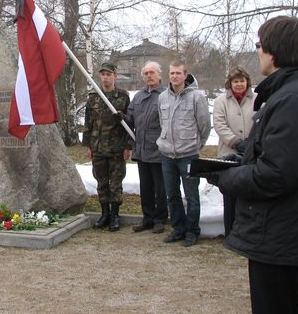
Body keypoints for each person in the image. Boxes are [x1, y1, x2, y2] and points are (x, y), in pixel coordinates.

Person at [209, 16, 298, 314]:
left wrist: (226, 178)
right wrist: (242, 158)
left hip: (281, 236)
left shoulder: (293, 98)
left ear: (273, 51)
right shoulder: (292, 92)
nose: (258, 51)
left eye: (260, 45)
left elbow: (277, 174)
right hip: (283, 234)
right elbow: (279, 154)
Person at [157, 60, 210, 247]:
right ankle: (178, 229)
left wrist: (196, 145)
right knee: (172, 195)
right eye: (172, 73)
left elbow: (205, 126)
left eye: (178, 73)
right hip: (167, 155)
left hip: (188, 155)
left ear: (185, 75)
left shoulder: (197, 97)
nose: (175, 76)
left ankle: (192, 231)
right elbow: (162, 123)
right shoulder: (163, 97)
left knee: (192, 196)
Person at [82, 62, 133, 232]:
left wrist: (128, 146)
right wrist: (88, 145)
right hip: (98, 148)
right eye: (103, 74)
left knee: (115, 184)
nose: (105, 77)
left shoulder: (123, 96)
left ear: (115, 76)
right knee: (101, 183)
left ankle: (115, 216)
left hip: (116, 148)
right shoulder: (93, 97)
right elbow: (88, 123)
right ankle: (104, 214)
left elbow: (129, 123)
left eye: (109, 74)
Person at [212, 66, 256, 236]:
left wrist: (251, 143)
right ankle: (230, 231)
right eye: (235, 81)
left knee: (248, 194)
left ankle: (247, 232)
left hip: (251, 152)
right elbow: (219, 124)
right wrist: (236, 142)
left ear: (247, 82)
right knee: (230, 195)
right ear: (230, 83)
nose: (238, 84)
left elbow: (262, 121)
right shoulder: (221, 101)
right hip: (228, 152)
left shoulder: (257, 99)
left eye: (241, 81)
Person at [125, 61, 168, 234]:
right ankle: (147, 218)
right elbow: (130, 116)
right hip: (141, 149)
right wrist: (122, 117)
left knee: (160, 187)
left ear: (159, 74)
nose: (149, 76)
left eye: (152, 72)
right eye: (146, 73)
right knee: (146, 187)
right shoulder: (139, 96)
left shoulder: (165, 95)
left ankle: (160, 219)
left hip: (158, 149)